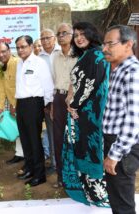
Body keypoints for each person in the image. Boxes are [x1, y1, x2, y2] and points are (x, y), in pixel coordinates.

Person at [62, 22, 110, 207]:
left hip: (91, 115)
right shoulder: (86, 55)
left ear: (91, 34)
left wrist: (74, 104)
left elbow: (91, 83)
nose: (79, 38)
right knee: (82, 148)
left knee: (92, 150)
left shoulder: (97, 54)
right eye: (76, 35)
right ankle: (89, 192)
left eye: (83, 34)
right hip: (81, 114)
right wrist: (71, 101)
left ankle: (99, 194)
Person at [102, 25, 139, 214]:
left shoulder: (132, 72)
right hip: (115, 142)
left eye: (110, 43)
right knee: (116, 198)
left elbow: (134, 121)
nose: (104, 48)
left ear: (128, 44)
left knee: (123, 203)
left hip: (123, 147)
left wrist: (114, 154)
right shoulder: (119, 70)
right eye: (104, 43)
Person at [15, 35, 54, 187]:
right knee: (25, 139)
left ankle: (40, 174)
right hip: (21, 104)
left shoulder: (39, 63)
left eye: (23, 46)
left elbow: (48, 86)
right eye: (18, 47)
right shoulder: (19, 63)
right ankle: (30, 169)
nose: (20, 50)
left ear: (31, 46)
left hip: (34, 103)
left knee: (34, 140)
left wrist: (43, 106)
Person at [51, 23, 77, 188]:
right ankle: (61, 176)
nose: (61, 36)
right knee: (58, 139)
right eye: (59, 33)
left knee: (74, 138)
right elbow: (55, 81)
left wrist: (71, 97)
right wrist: (54, 103)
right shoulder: (55, 57)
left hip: (75, 101)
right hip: (59, 99)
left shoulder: (79, 55)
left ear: (72, 34)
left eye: (64, 33)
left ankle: (76, 176)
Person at [0, 43, 24, 165]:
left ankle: (32, 156)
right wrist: (0, 107)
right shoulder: (0, 68)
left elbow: (21, 85)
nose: (1, 55)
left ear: (9, 50)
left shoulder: (18, 63)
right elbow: (1, 89)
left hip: (22, 102)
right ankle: (20, 154)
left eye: (3, 51)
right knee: (17, 129)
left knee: (26, 131)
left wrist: (15, 105)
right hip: (13, 104)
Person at [39, 29, 61, 171]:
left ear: (54, 38)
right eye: (43, 38)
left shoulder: (62, 52)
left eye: (48, 37)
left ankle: (65, 164)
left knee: (64, 133)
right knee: (52, 133)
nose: (45, 40)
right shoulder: (39, 57)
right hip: (47, 101)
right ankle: (54, 163)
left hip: (63, 99)